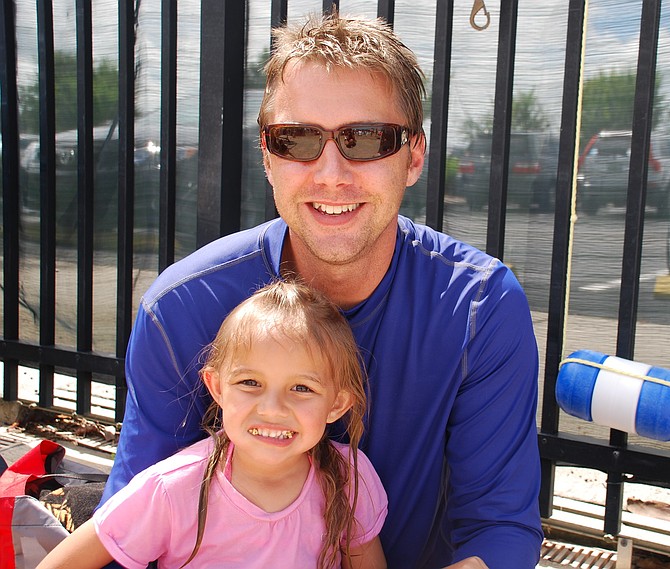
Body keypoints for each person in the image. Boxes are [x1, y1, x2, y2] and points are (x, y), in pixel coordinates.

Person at [101, 12, 543, 569]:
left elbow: (499, 528)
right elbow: (125, 535)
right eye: (297, 139)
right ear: (267, 155)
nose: (331, 173)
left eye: (366, 139)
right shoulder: (182, 309)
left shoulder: (478, 308)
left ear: (414, 156)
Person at [38, 280, 387, 569]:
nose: (273, 408)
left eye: (302, 388)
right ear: (217, 387)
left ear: (337, 404)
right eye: (250, 383)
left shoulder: (349, 478)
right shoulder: (172, 489)